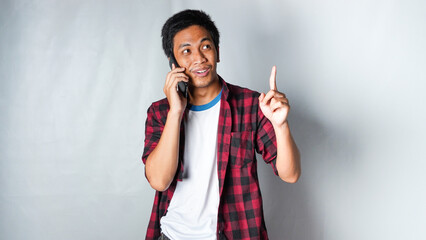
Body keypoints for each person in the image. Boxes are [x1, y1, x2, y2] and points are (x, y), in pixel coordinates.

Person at [142, 9, 301, 240]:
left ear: (217, 52)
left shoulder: (250, 105)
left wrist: (281, 125)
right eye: (186, 51)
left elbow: (291, 174)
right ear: (173, 63)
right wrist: (176, 112)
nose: (199, 58)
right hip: (173, 235)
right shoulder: (160, 112)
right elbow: (159, 180)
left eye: (205, 46)